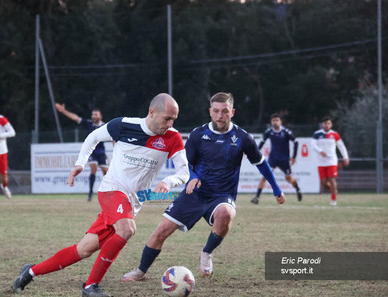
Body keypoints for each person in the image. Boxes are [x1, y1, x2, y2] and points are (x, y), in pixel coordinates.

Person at [11, 93, 189, 297]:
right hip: (112, 191)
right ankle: (91, 286)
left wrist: (168, 182)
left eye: (174, 119)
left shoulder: (172, 137)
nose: (170, 123)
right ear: (152, 112)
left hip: (132, 202)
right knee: (127, 229)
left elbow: (183, 172)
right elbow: (93, 137)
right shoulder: (123, 125)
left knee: (84, 249)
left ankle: (30, 272)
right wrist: (80, 163)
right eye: (167, 118)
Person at [122, 92, 285, 282]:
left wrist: (276, 189)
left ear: (232, 112)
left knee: (226, 214)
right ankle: (141, 271)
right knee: (161, 231)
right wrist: (193, 177)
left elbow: (261, 163)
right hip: (194, 194)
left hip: (222, 195)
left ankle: (207, 252)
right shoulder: (198, 135)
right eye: (216, 111)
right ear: (210, 111)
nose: (220, 116)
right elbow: (186, 166)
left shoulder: (242, 137)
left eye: (224, 111)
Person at [55, 103, 109, 201]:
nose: (93, 116)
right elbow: (76, 118)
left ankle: (110, 192)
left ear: (100, 116)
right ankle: (90, 193)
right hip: (91, 151)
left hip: (101, 151)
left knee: (106, 172)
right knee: (94, 168)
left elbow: (113, 138)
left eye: (95, 114)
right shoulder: (89, 123)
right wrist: (63, 111)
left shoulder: (105, 126)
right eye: (92, 114)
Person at [251, 113, 302, 204]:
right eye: (273, 121)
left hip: (284, 160)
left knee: (289, 179)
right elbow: (261, 143)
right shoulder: (269, 132)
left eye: (277, 120)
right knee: (265, 177)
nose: (275, 122)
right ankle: (257, 197)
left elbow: (296, 141)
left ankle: (297, 189)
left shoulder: (285, 132)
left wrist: (294, 157)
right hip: (273, 159)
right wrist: (255, 152)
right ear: (271, 122)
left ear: (280, 121)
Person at [311, 116, 349, 206]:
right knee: (324, 182)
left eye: (328, 123)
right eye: (325, 123)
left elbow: (341, 146)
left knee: (332, 179)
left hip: (332, 160)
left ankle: (333, 199)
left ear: (331, 124)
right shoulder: (317, 134)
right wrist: (320, 151)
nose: (327, 125)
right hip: (321, 161)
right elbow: (313, 145)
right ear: (322, 125)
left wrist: (345, 157)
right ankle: (333, 190)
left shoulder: (335, 134)